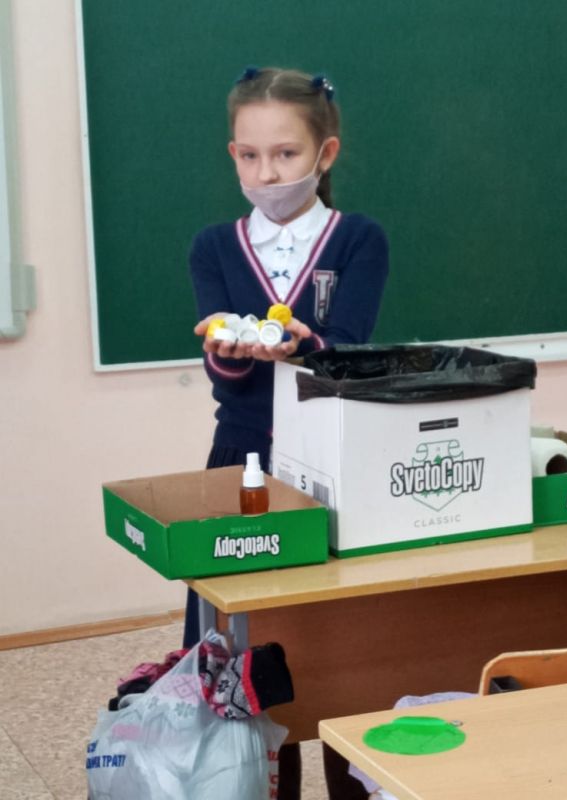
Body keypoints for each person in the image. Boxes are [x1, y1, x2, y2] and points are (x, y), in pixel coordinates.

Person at [184, 66, 389, 800]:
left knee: (336, 646)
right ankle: (262, 783)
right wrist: (233, 350)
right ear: (232, 154)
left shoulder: (357, 238)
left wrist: (308, 345)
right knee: (245, 639)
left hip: (330, 460)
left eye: (286, 154)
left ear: (325, 154)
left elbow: (350, 349)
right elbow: (223, 370)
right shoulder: (214, 246)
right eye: (249, 155)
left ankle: (352, 780)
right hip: (240, 461)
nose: (266, 173)